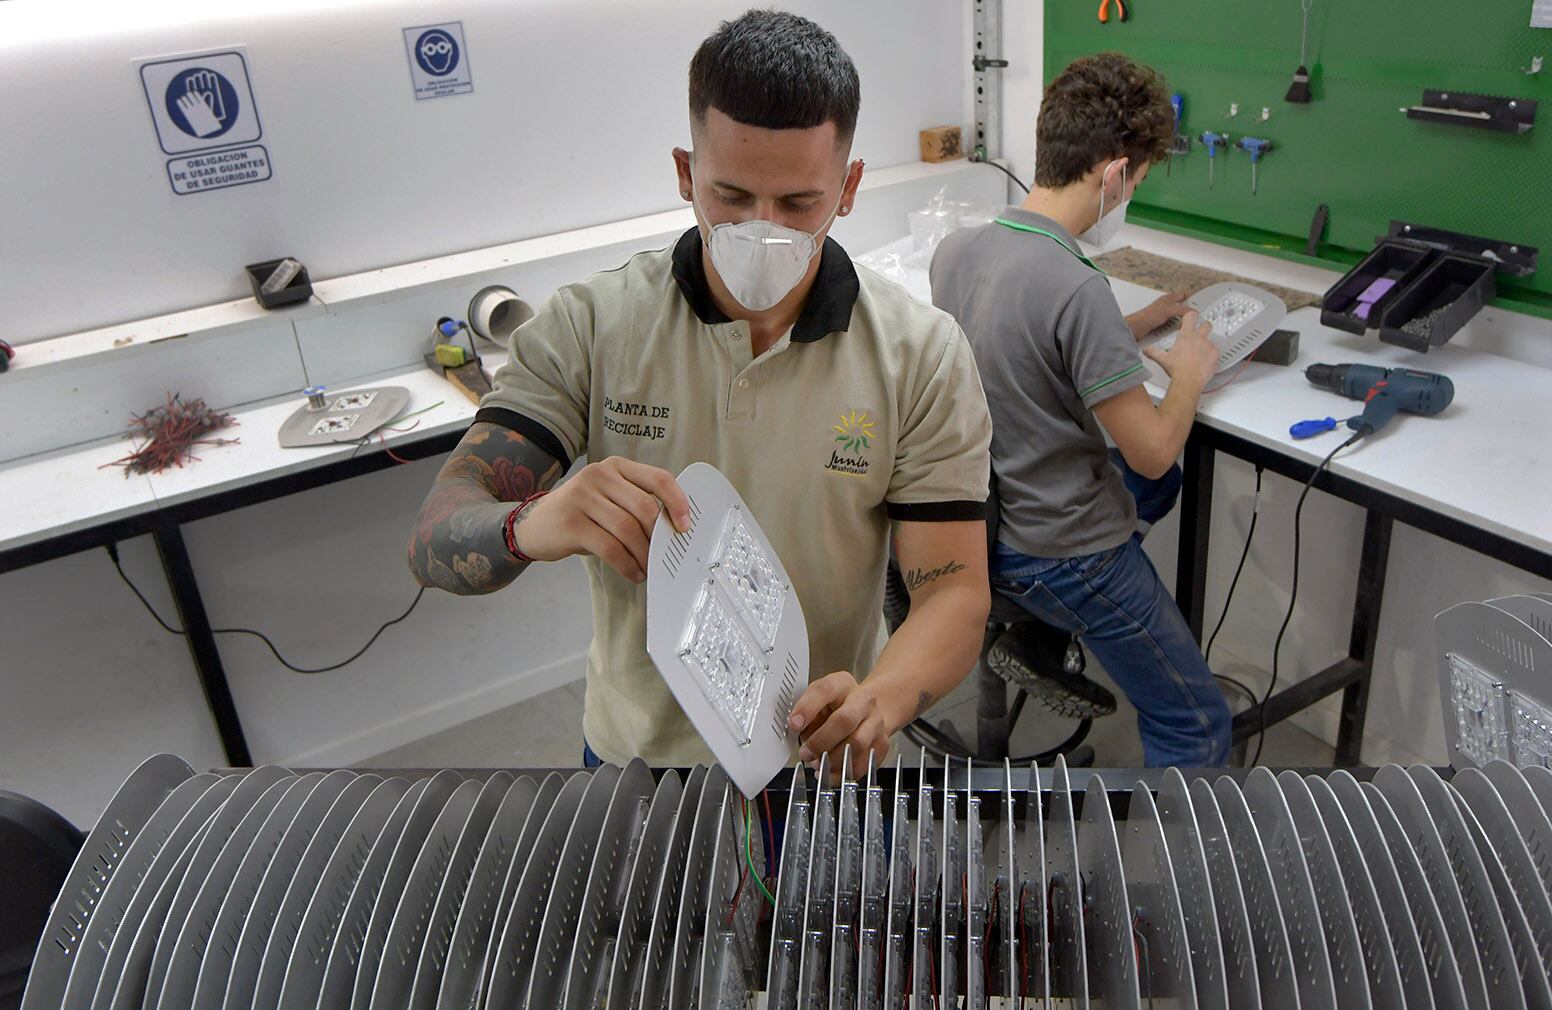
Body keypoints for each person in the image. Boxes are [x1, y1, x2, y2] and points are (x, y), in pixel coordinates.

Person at [406, 9, 994, 777]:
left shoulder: (919, 355)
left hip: (819, 755)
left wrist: (880, 700)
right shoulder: (593, 327)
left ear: (848, 189)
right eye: (731, 194)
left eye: (797, 205)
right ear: (686, 174)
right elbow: (435, 537)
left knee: (832, 906)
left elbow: (953, 592)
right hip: (638, 762)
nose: (761, 229)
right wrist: (533, 523)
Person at [930, 52, 1232, 767]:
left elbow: (1017, 340)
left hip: (986, 525)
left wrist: (1135, 323)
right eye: (1137, 183)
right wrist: (1186, 376)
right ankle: (1173, 878)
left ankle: (1039, 633)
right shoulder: (1075, 284)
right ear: (1114, 173)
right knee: (1195, 720)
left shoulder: (960, 251)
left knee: (1154, 490)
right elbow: (1156, 444)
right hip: (1061, 548)